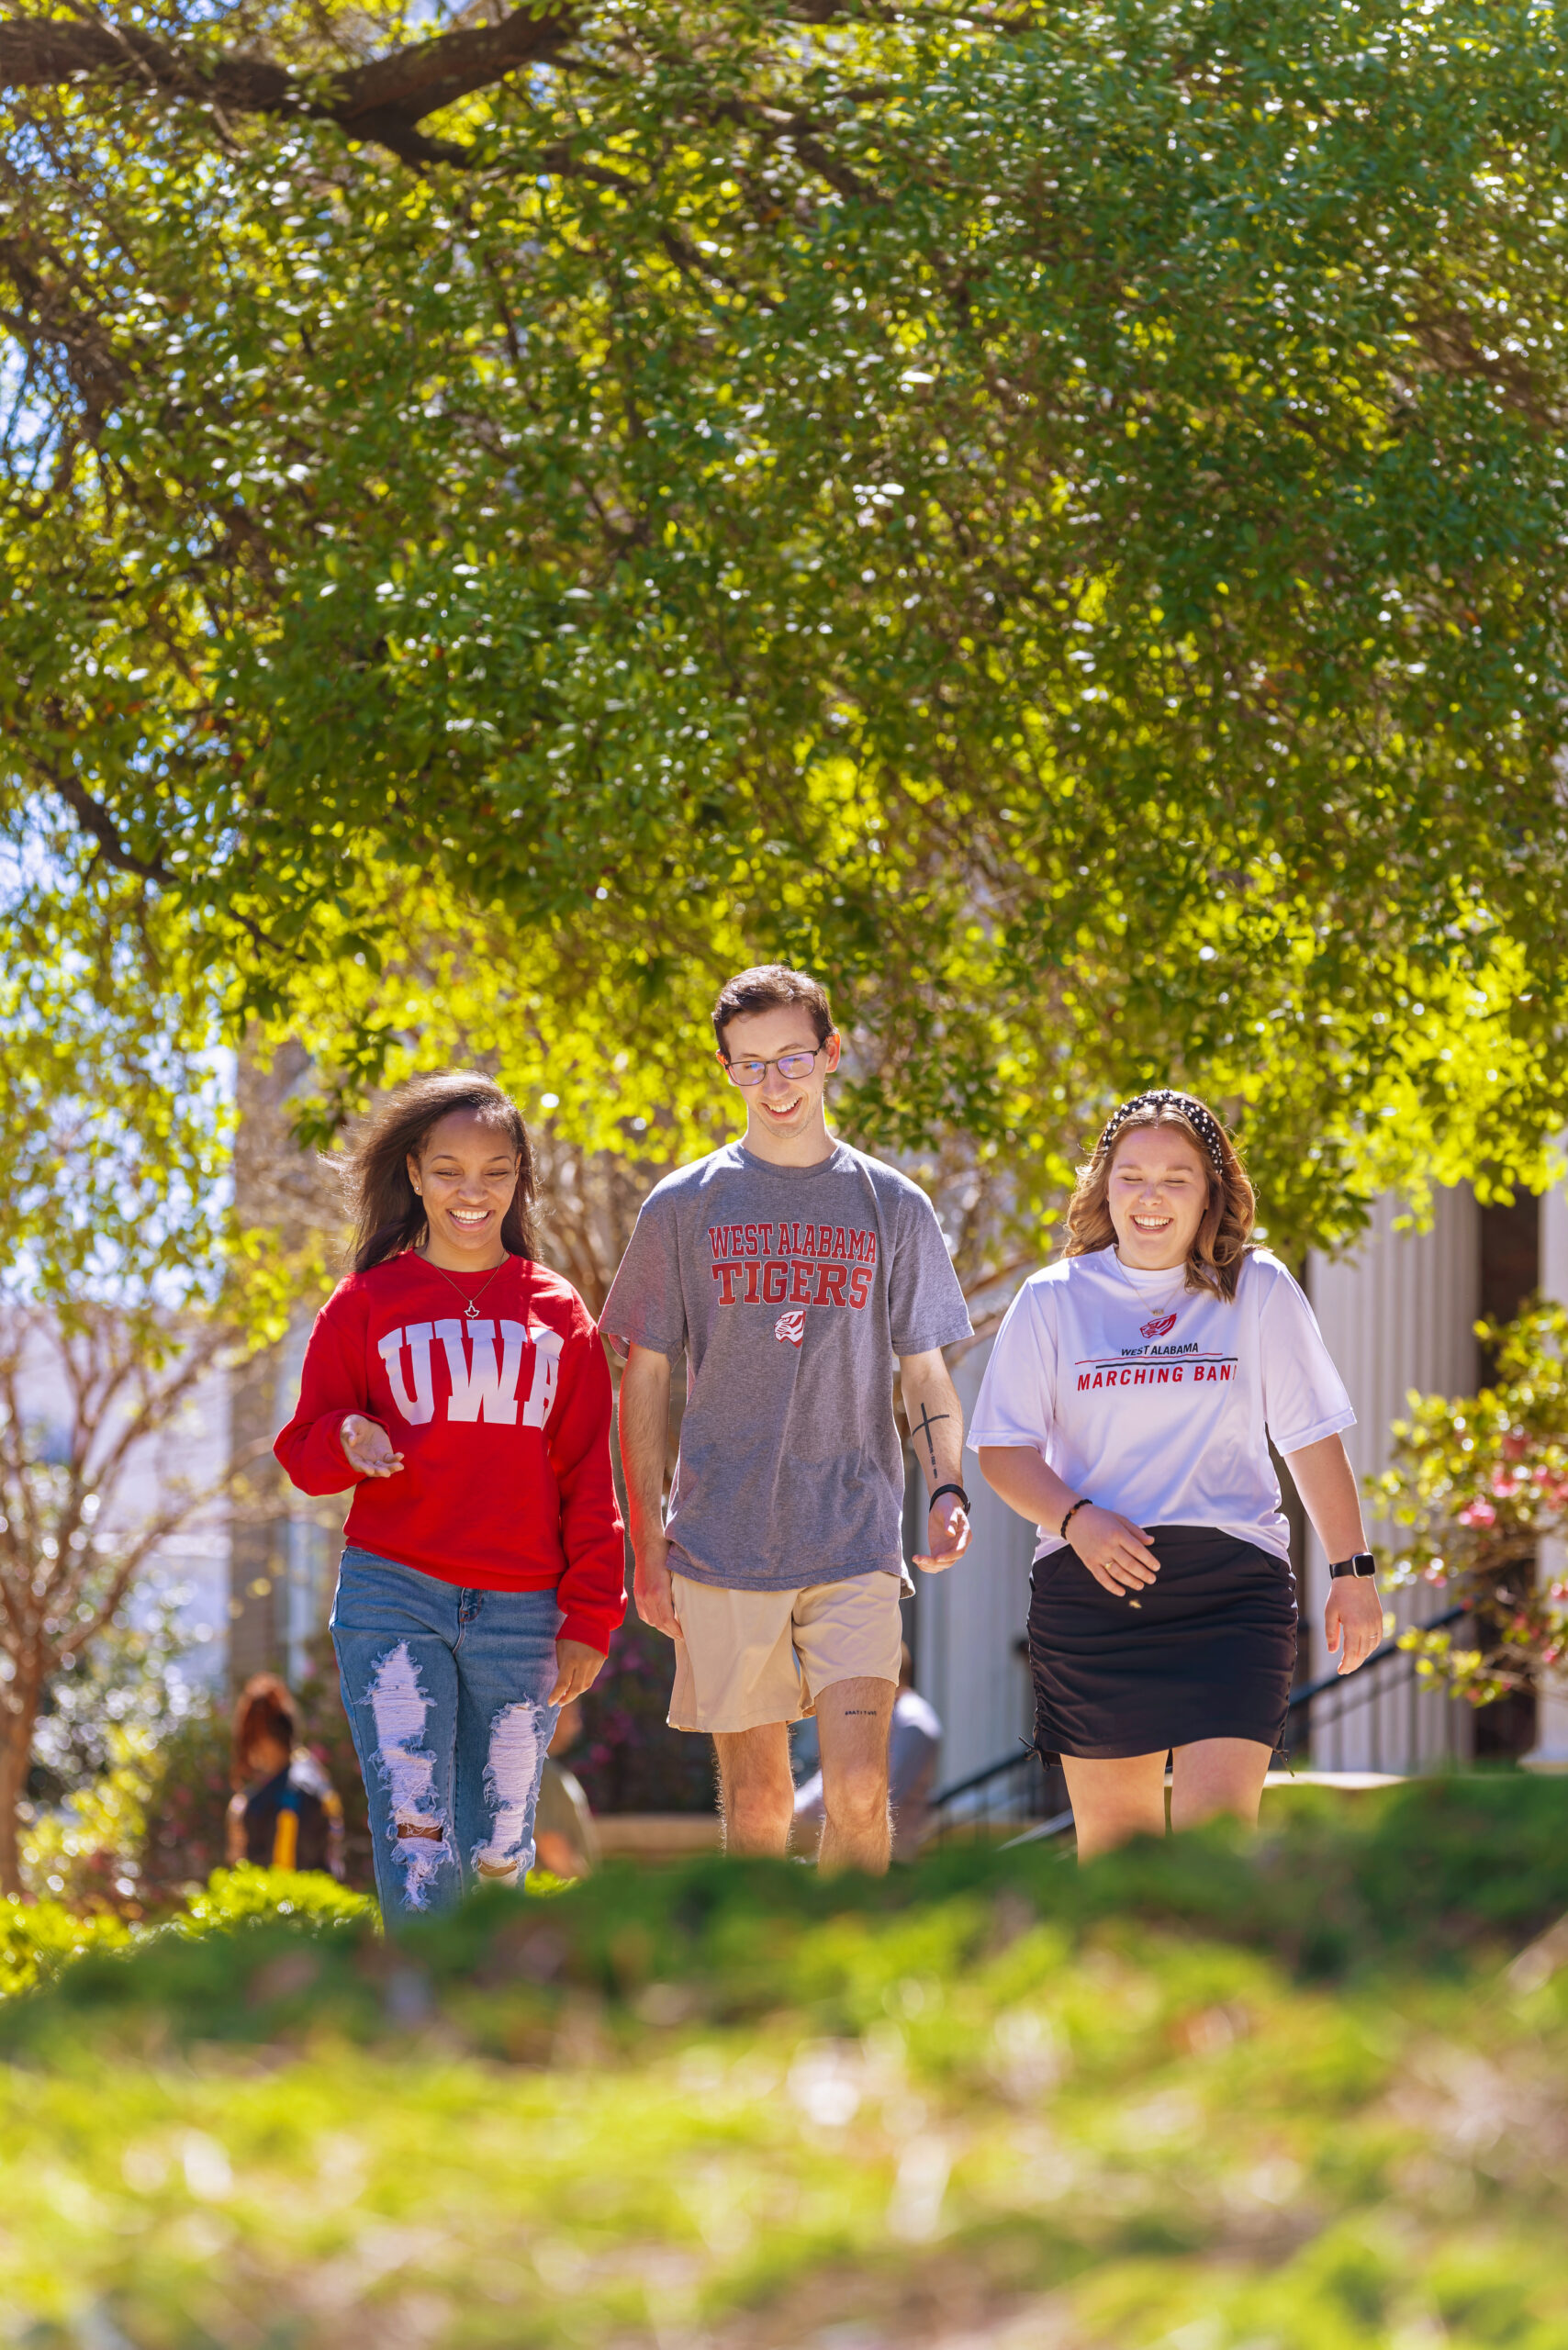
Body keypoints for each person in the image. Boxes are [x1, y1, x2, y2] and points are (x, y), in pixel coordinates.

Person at [601, 964, 975, 1876]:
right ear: (727, 1069)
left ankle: (856, 1987)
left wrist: (947, 1485)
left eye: (793, 1059)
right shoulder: (681, 1207)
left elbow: (923, 1371)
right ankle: (760, 1994)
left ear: (831, 1054)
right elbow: (642, 1381)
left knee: (855, 1789)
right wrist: (647, 1547)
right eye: (751, 1065)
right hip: (721, 1541)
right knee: (764, 1804)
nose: (775, 1085)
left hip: (852, 1535)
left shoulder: (892, 1205)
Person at [969, 1088, 1385, 1862]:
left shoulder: (1259, 1288)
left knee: (1217, 1847)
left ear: (1210, 1194)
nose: (1150, 1197)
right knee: (1116, 1853)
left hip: (1232, 1596)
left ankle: (1220, 1985)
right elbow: (1003, 1450)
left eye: (1176, 1179)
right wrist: (1077, 1518)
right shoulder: (1052, 1299)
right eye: (1131, 1176)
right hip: (1091, 1596)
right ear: (1104, 1185)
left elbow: (1311, 1438)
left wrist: (1352, 1570)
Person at [274, 1071, 625, 1919]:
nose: (473, 1191)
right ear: (416, 1177)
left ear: (519, 1180)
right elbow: (303, 1452)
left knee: (502, 1841)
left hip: (523, 1610)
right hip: (394, 1594)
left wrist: (590, 1617)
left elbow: (588, 1478)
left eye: (496, 1171)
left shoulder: (559, 1312)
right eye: (448, 1170)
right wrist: (347, 1439)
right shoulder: (365, 1303)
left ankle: (487, 2013)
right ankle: (422, 2018)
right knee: (416, 1829)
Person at [793, 1644, 943, 1860]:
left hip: (892, 1854)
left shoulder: (914, 1722)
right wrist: (794, 1811)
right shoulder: (879, 1715)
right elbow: (833, 1776)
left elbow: (882, 1791)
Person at [225, 1672, 344, 1878]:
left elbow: (283, 1880)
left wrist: (241, 1820)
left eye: (254, 1741)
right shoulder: (312, 1773)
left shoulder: (291, 1796)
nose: (252, 1752)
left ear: (267, 1740)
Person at [533, 1696, 602, 1880]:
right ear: (553, 1711)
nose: (578, 1725)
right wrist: (590, 1892)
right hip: (554, 1898)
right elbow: (551, 1845)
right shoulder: (543, 1774)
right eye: (573, 1713)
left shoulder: (550, 1771)